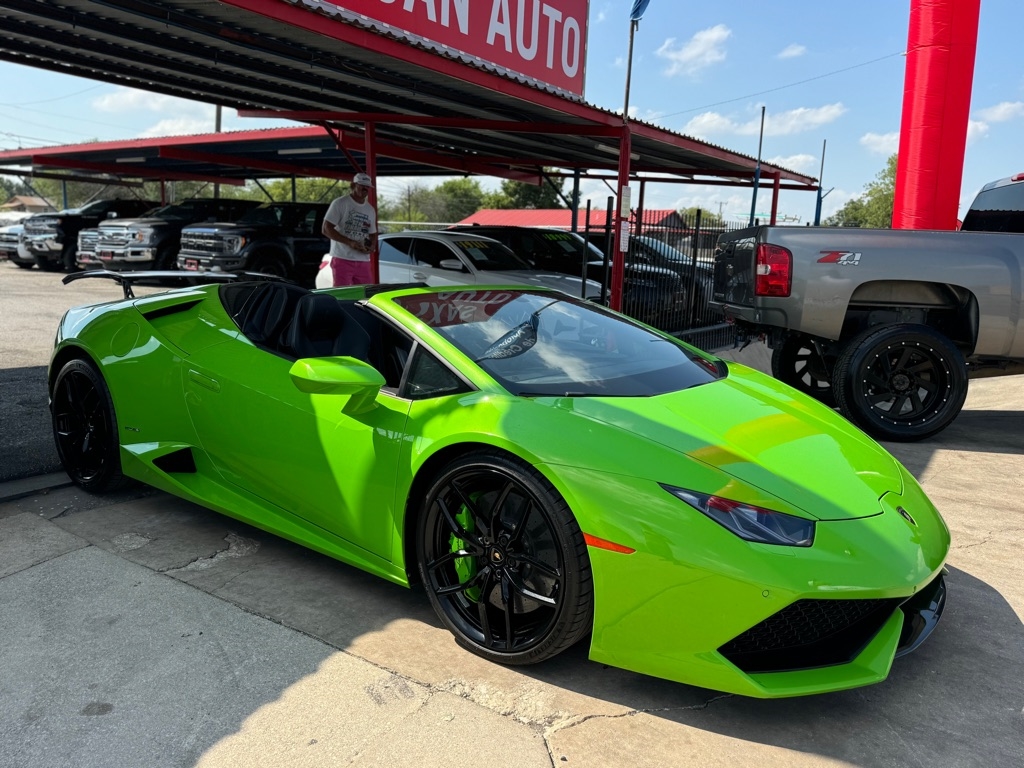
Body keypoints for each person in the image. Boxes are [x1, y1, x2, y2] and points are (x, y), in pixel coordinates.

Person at [317, 172, 378, 288]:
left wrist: (371, 246)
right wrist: (350, 242)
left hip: (363, 260)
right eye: (362, 185)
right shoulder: (340, 203)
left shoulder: (370, 209)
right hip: (342, 258)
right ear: (353, 185)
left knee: (365, 294)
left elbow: (373, 233)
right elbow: (326, 229)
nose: (365, 188)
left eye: (367, 186)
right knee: (342, 294)